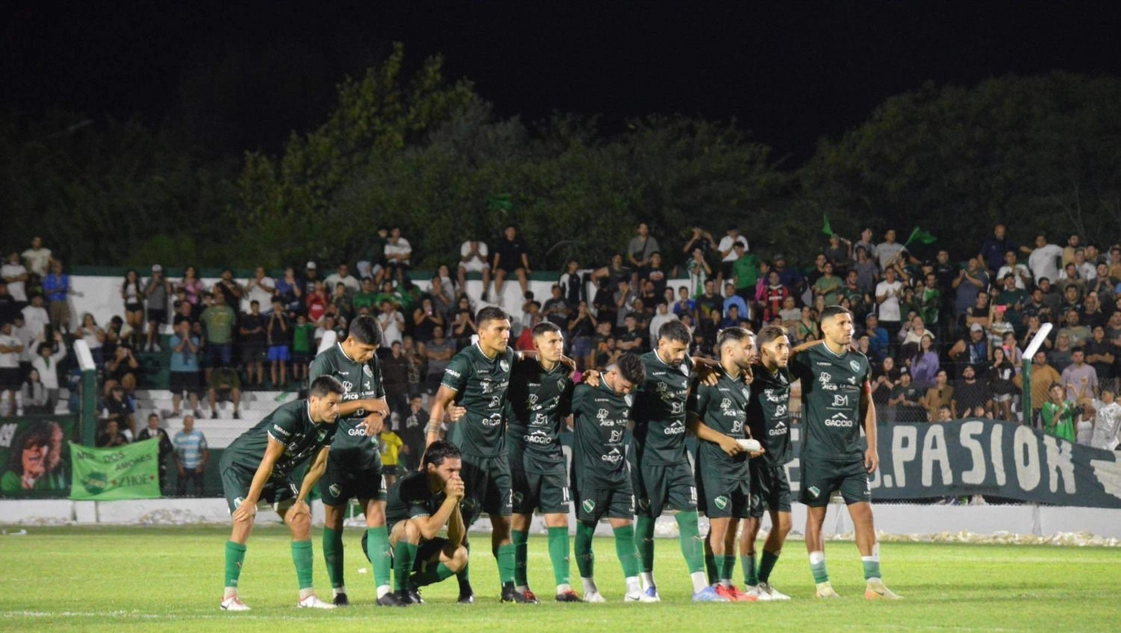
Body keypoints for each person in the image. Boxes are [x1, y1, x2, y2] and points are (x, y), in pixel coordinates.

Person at [790, 305, 901, 600]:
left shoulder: (859, 361)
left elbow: (867, 405)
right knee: (816, 518)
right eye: (841, 323)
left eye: (850, 322)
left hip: (852, 454)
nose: (848, 327)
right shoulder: (808, 358)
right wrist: (811, 344)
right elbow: (780, 363)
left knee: (865, 515)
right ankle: (822, 585)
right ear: (825, 328)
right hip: (818, 455)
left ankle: (874, 584)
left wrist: (872, 447)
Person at [423, 306, 529, 603]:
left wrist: (560, 359)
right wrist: (431, 445)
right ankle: (465, 588)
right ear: (481, 333)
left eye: (508, 329)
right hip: (466, 458)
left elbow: (527, 357)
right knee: (462, 526)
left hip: (498, 456)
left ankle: (508, 588)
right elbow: (440, 401)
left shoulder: (509, 357)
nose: (506, 334)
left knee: (504, 523)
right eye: (499, 329)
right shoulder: (464, 361)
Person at [218, 375, 344, 611]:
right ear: (314, 400)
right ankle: (229, 598)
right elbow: (268, 459)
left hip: (276, 473)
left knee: (301, 519)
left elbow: (318, 465)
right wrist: (250, 501)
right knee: (244, 518)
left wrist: (300, 500)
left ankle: (307, 597)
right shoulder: (289, 416)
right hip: (241, 466)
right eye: (331, 403)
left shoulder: (331, 423)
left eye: (338, 403)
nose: (336, 409)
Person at [308, 315, 404, 607]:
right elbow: (318, 411)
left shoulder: (372, 362)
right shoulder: (324, 363)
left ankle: (383, 592)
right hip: (334, 454)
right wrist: (363, 404)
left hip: (367, 454)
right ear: (350, 341)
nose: (369, 355)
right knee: (334, 520)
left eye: (373, 350)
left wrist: (377, 414)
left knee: (377, 517)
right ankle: (338, 590)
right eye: (365, 350)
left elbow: (382, 404)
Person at [630, 320, 722, 602]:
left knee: (690, 519)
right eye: (677, 349)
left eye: (685, 350)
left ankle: (700, 588)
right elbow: (614, 381)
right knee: (646, 521)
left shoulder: (684, 363)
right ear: (661, 344)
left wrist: (709, 366)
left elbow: (696, 362)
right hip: (648, 459)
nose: (682, 355)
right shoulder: (640, 366)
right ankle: (648, 584)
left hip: (679, 457)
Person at [570, 353, 655, 603]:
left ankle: (634, 590)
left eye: (631, 388)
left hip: (619, 473)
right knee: (586, 531)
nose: (627, 391)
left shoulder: (629, 395)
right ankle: (589, 589)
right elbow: (561, 403)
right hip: (590, 476)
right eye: (625, 385)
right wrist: (581, 375)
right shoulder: (586, 392)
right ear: (613, 373)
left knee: (625, 530)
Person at [505, 322, 580, 602]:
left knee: (559, 518)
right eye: (551, 342)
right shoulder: (520, 371)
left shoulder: (564, 374)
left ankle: (563, 587)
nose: (558, 346)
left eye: (560, 341)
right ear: (536, 345)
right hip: (520, 455)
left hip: (551, 455)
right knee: (520, 520)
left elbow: (566, 411)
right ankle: (520, 586)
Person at [686, 327, 760, 602]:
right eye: (748, 347)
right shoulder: (708, 381)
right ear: (729, 350)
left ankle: (728, 584)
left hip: (740, 464)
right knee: (719, 526)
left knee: (734, 527)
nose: (752, 353)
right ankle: (715, 585)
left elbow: (739, 420)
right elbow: (691, 421)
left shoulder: (744, 382)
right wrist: (722, 440)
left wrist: (747, 440)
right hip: (715, 464)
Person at [379, 440, 469, 604]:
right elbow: (428, 531)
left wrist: (454, 503)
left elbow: (457, 539)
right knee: (411, 528)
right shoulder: (414, 483)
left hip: (418, 545)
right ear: (431, 468)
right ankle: (400, 592)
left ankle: (411, 585)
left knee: (460, 554)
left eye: (458, 471)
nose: (456, 476)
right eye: (450, 470)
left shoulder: (446, 488)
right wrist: (450, 499)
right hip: (388, 545)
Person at [742, 325, 795, 600]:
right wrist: (745, 436)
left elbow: (799, 351)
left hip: (777, 462)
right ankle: (751, 586)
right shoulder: (751, 375)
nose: (785, 351)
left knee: (784, 525)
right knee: (751, 526)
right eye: (779, 346)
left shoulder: (783, 373)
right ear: (763, 350)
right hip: (756, 463)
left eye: (786, 345)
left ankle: (763, 582)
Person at [1, 420, 66, 492]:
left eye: (40, 444)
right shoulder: (10, 479)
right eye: (28, 445)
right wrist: (26, 491)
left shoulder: (57, 474)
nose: (34, 449)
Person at [168, 319, 203, 418]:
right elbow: (178, 349)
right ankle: (176, 411)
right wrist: (184, 339)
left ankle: (195, 411)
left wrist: (188, 339)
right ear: (179, 327)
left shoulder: (195, 338)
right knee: (177, 392)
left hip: (192, 369)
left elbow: (194, 350)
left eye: (187, 326)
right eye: (183, 326)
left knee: (193, 392)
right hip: (177, 369)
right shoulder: (174, 338)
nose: (185, 328)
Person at [492, 225, 531, 303]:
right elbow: (497, 256)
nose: (511, 232)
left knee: (522, 273)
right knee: (499, 274)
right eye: (509, 231)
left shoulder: (520, 242)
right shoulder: (501, 242)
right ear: (506, 232)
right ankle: (497, 295)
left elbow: (524, 256)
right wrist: (494, 268)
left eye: (513, 231)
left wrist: (527, 268)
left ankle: (525, 295)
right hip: (504, 264)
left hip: (516, 263)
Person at [136, 413, 174, 494]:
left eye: (156, 420)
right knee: (148, 480)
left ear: (158, 422)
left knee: (160, 479)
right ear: (148, 421)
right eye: (152, 420)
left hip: (160, 460)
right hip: (147, 462)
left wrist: (161, 444)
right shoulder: (143, 433)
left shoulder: (162, 432)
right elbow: (139, 448)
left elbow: (169, 446)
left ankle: (160, 494)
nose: (154, 422)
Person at [173, 415, 208, 497]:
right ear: (184, 423)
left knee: (199, 492)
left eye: (191, 421)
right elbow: (174, 453)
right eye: (187, 421)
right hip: (183, 466)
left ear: (193, 423)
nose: (189, 423)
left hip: (197, 466)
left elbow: (205, 450)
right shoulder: (178, 435)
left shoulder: (199, 434)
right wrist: (178, 466)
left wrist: (202, 465)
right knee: (180, 493)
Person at [144, 265, 172, 352]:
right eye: (156, 272)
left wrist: (167, 284)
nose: (158, 274)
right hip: (152, 306)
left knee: (157, 326)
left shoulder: (164, 281)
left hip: (161, 306)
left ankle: (155, 342)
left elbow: (169, 292)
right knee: (152, 324)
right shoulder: (150, 280)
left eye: (159, 272)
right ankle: (148, 343)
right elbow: (149, 292)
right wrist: (155, 282)